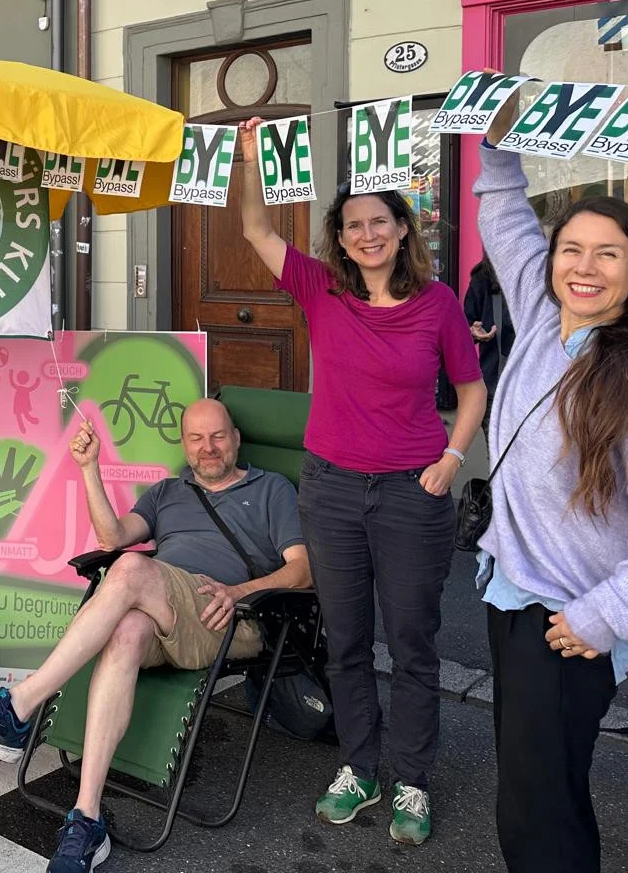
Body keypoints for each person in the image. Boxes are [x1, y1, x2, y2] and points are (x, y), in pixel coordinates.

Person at [233, 119, 487, 846]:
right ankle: (361, 767)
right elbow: (254, 228)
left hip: (413, 492)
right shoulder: (320, 289)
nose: (368, 234)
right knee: (344, 641)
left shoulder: (438, 303)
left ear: (403, 230)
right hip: (333, 490)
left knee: (412, 644)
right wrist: (250, 158)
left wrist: (452, 458)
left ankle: (412, 778)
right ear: (339, 241)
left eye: (380, 222)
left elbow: (471, 390)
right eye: (353, 226)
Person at [0, 399, 309, 873]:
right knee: (126, 629)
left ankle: (19, 705)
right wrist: (88, 468)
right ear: (184, 445)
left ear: (235, 439)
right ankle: (86, 818)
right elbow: (112, 537)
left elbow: (302, 570)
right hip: (163, 613)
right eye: (196, 438)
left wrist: (238, 592)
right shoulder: (167, 492)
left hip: (230, 618)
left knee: (130, 568)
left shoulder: (271, 489)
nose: (208, 447)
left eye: (217, 436)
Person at [477, 114, 628, 873]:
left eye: (608, 254)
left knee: (540, 812)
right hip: (512, 595)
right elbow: (507, 222)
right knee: (532, 792)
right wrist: (497, 146)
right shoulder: (544, 320)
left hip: (568, 619)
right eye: (571, 249)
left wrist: (603, 615)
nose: (584, 266)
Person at [463, 258, 516, 434]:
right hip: (496, 389)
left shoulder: (544, 274)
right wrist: (472, 333)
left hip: (539, 391)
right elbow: (463, 332)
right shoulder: (482, 279)